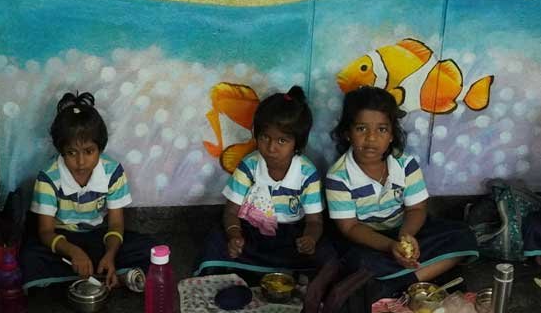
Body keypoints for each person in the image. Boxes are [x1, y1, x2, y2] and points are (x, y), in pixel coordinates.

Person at [325, 86, 478, 293]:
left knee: (463, 236)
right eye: (361, 129)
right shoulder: (339, 176)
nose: (371, 138)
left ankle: (394, 284)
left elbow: (417, 209)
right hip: (366, 238)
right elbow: (350, 228)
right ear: (347, 133)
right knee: (355, 262)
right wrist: (390, 246)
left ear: (391, 135)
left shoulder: (405, 164)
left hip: (404, 229)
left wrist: (406, 237)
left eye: (381, 129)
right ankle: (416, 277)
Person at [20, 92, 154, 290]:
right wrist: (73, 252)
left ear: (100, 148)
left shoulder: (112, 172)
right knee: (29, 256)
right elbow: (46, 231)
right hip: (64, 239)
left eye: (89, 151)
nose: (81, 162)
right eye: (71, 153)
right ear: (61, 151)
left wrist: (110, 255)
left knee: (151, 249)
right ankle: (108, 274)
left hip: (98, 236)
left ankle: (94, 270)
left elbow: (116, 224)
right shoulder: (48, 177)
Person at [195, 86, 333, 276]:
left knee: (326, 253)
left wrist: (309, 239)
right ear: (256, 134)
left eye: (282, 141)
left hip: (291, 235)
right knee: (216, 239)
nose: (271, 147)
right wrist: (235, 235)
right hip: (252, 232)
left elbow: (315, 221)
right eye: (265, 137)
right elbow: (231, 211)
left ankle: (261, 270)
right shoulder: (249, 165)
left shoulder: (307, 173)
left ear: (298, 143)